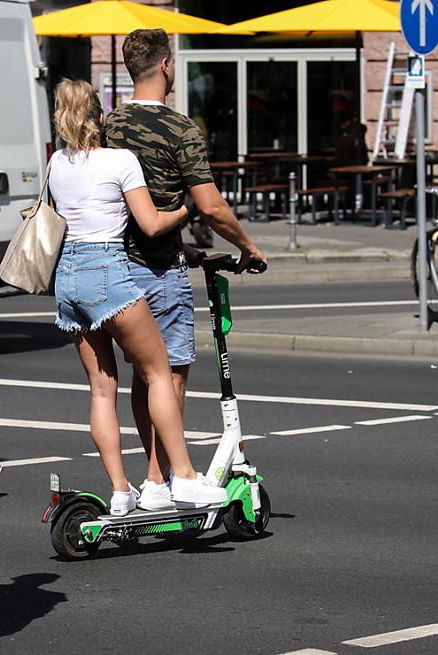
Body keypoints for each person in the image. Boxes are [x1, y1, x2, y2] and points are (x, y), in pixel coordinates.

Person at [105, 28, 267, 511]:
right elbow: (211, 206)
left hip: (118, 267)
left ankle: (154, 479)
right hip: (158, 272)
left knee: (142, 376)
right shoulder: (180, 129)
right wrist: (248, 247)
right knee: (171, 374)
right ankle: (170, 479)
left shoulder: (109, 125)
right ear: (166, 66)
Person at [49, 79, 228, 515]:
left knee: (101, 390)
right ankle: (183, 476)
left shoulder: (56, 162)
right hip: (107, 271)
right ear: (100, 117)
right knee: (158, 373)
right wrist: (187, 207)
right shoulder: (120, 160)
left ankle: (120, 491)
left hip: (67, 276)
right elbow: (150, 225)